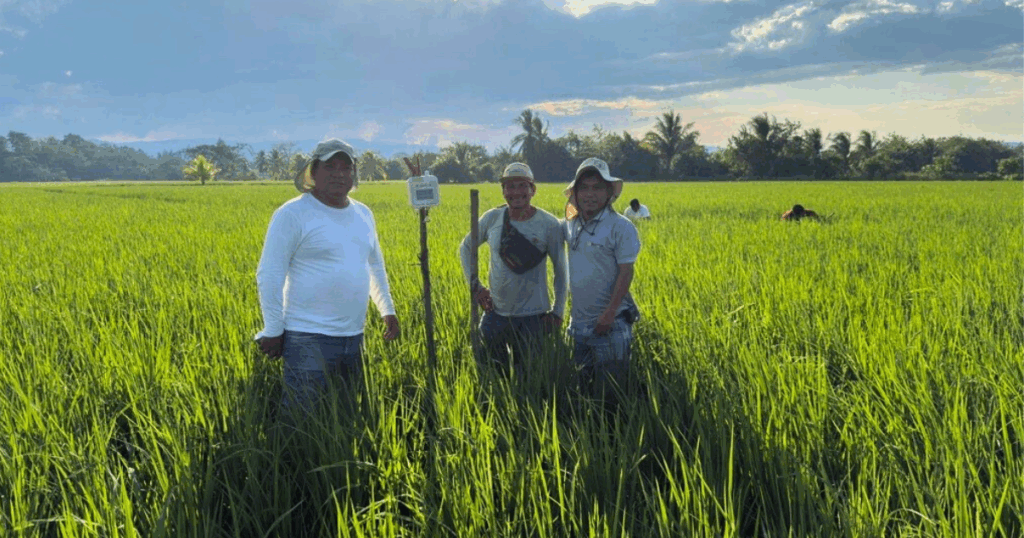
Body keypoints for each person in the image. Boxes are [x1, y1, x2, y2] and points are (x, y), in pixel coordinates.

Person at [255, 138, 400, 411]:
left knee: (346, 415)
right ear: (313, 171)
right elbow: (270, 273)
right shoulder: (293, 213)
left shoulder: (363, 214)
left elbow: (374, 266)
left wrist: (387, 309)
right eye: (330, 166)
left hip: (354, 335)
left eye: (346, 167)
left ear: (354, 174)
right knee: (302, 418)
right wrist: (273, 329)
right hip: (307, 337)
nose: (339, 174)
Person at [458, 162, 568, 376]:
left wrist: (558, 312)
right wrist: (476, 287)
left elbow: (561, 271)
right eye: (510, 186)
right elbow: (466, 247)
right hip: (495, 313)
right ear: (503, 191)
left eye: (522, 185)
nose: (516, 192)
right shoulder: (492, 218)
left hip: (534, 318)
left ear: (533, 189)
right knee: (491, 373)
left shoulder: (549, 224)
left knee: (531, 376)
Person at [562, 157, 641, 398]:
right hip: (578, 325)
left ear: (609, 193)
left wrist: (609, 313)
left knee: (611, 395)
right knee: (582, 390)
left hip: (611, 324)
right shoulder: (571, 224)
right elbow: (555, 220)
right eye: (584, 188)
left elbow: (626, 272)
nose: (590, 194)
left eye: (597, 188)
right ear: (575, 193)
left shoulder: (621, 226)